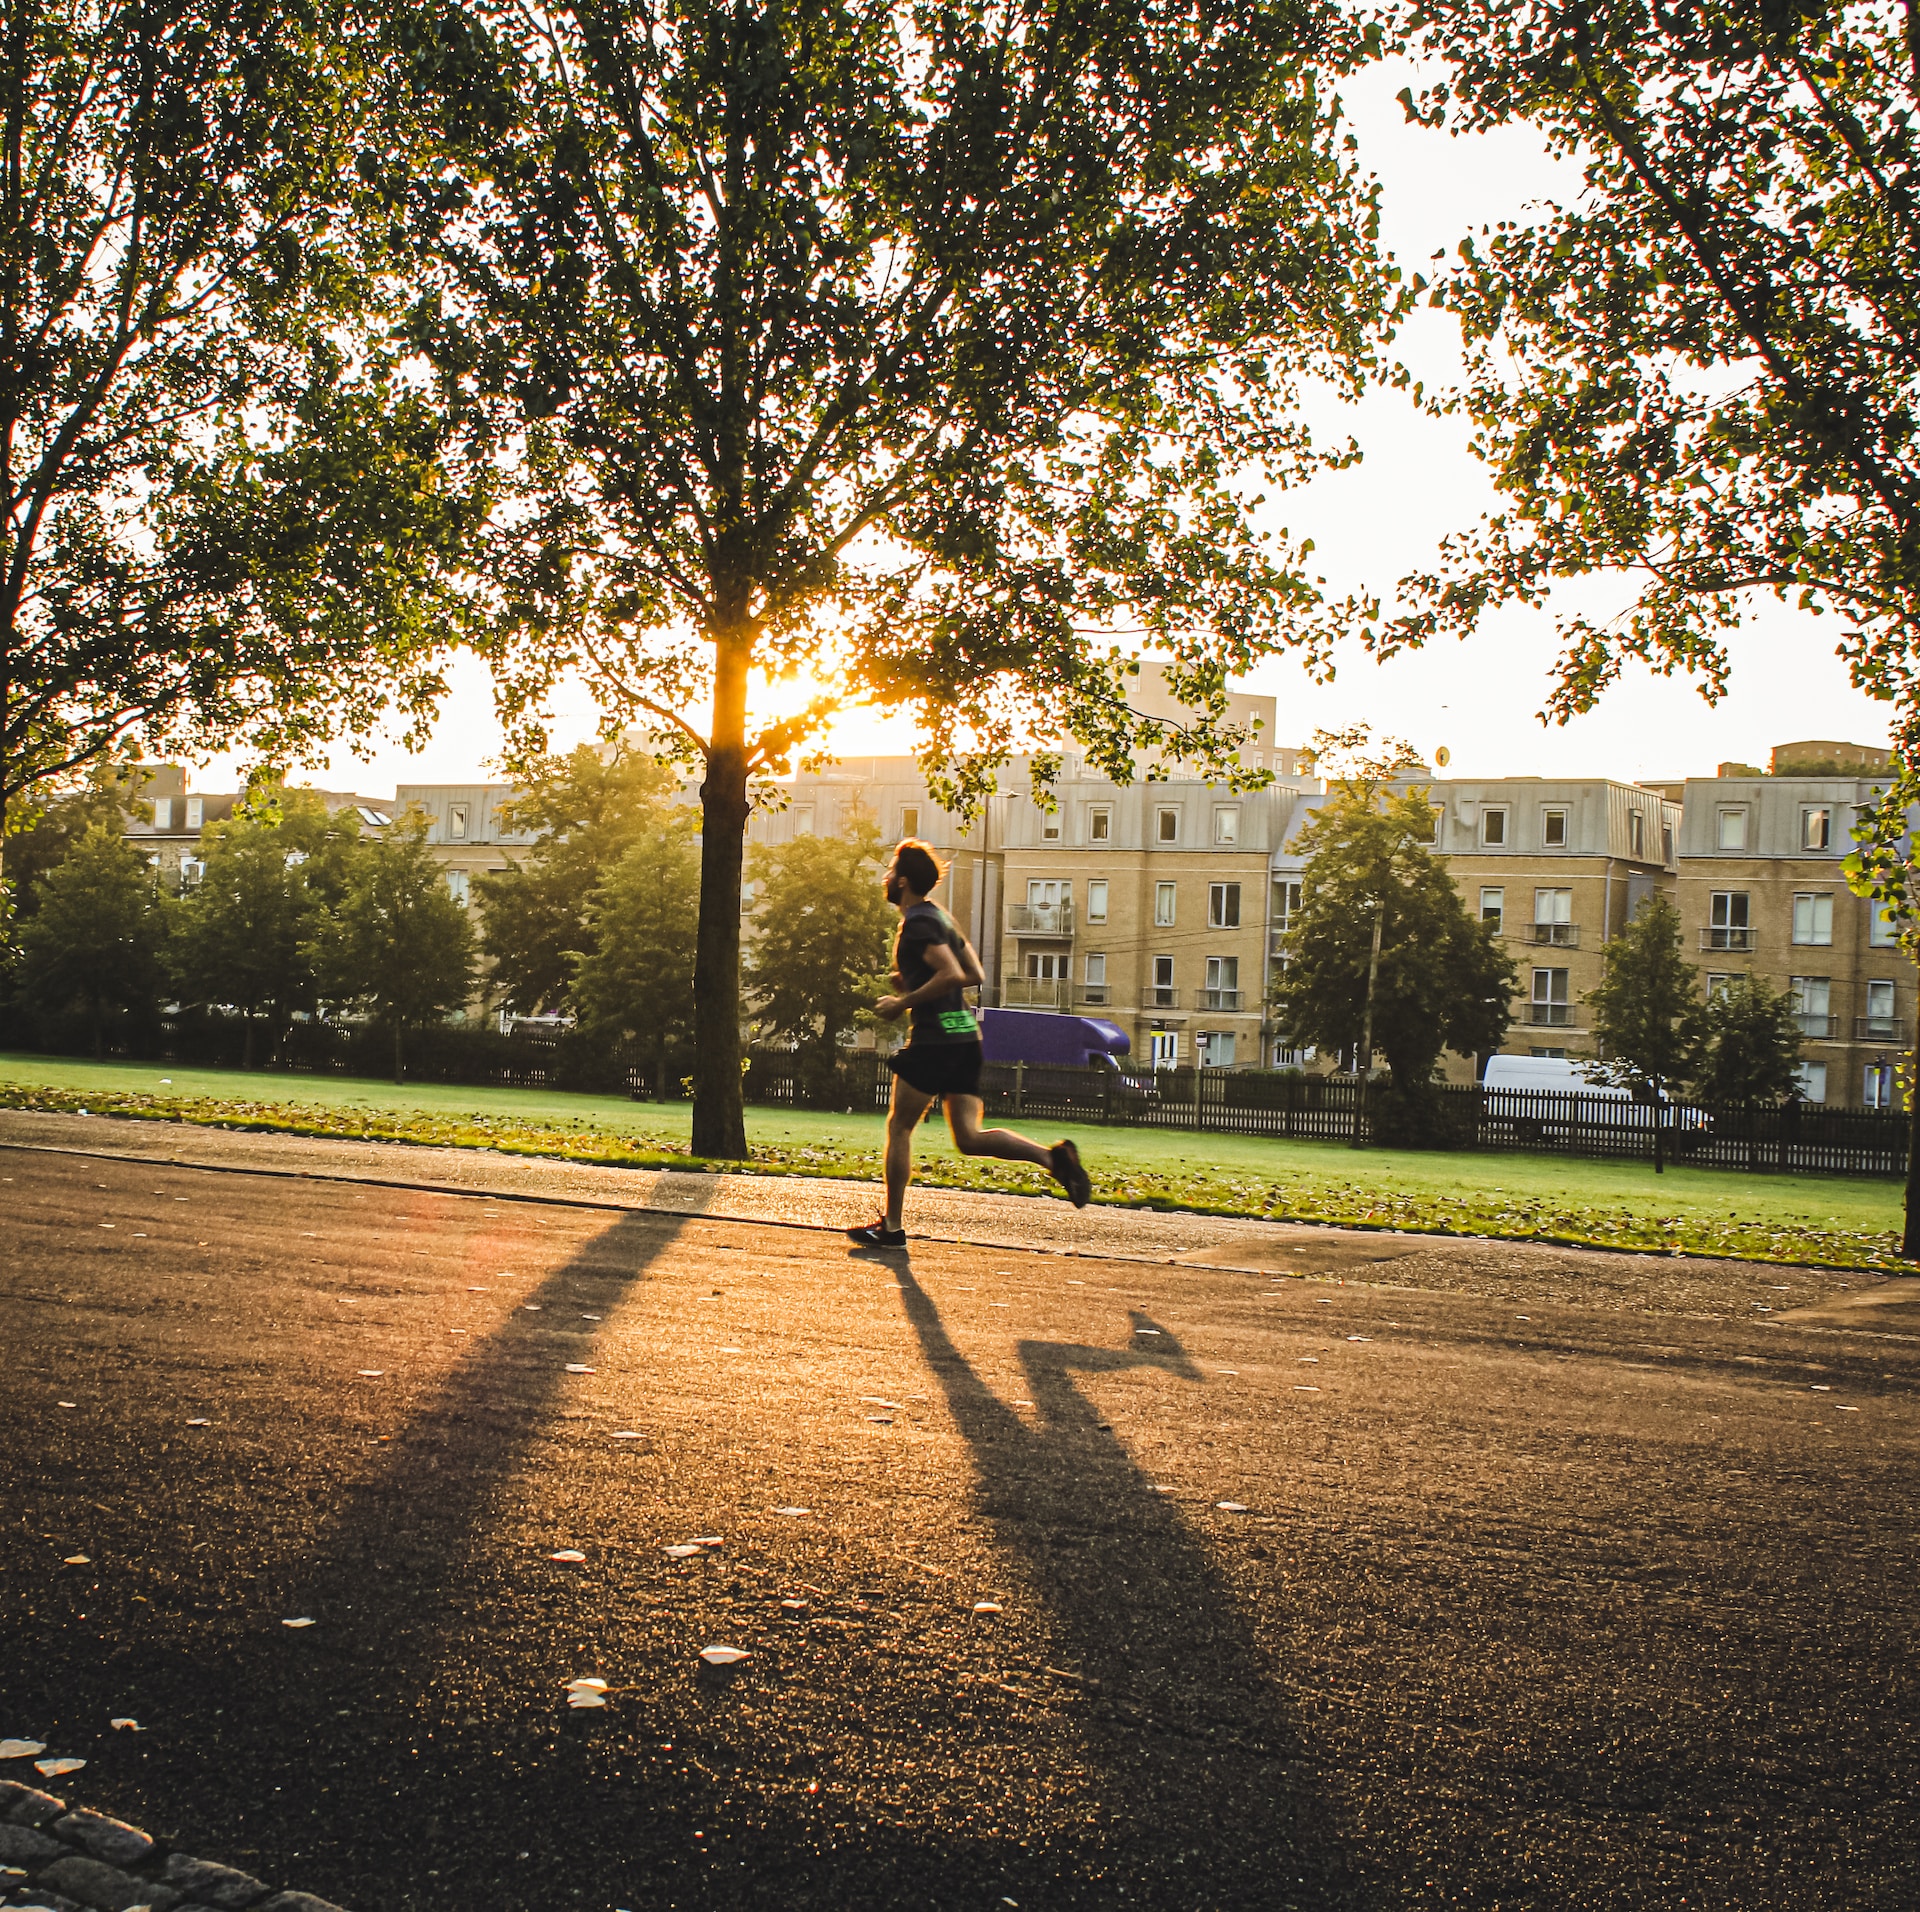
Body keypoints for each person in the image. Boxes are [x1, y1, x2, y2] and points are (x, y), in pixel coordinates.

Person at [848, 839, 1092, 1248]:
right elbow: (975, 970)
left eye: (890, 871)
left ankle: (890, 1228)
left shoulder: (919, 923)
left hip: (935, 1039)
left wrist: (902, 1001)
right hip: (964, 1036)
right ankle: (1055, 1159)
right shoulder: (941, 918)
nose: (885, 877)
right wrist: (912, 979)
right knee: (969, 1137)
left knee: (900, 1126)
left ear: (904, 881)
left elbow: (954, 974)